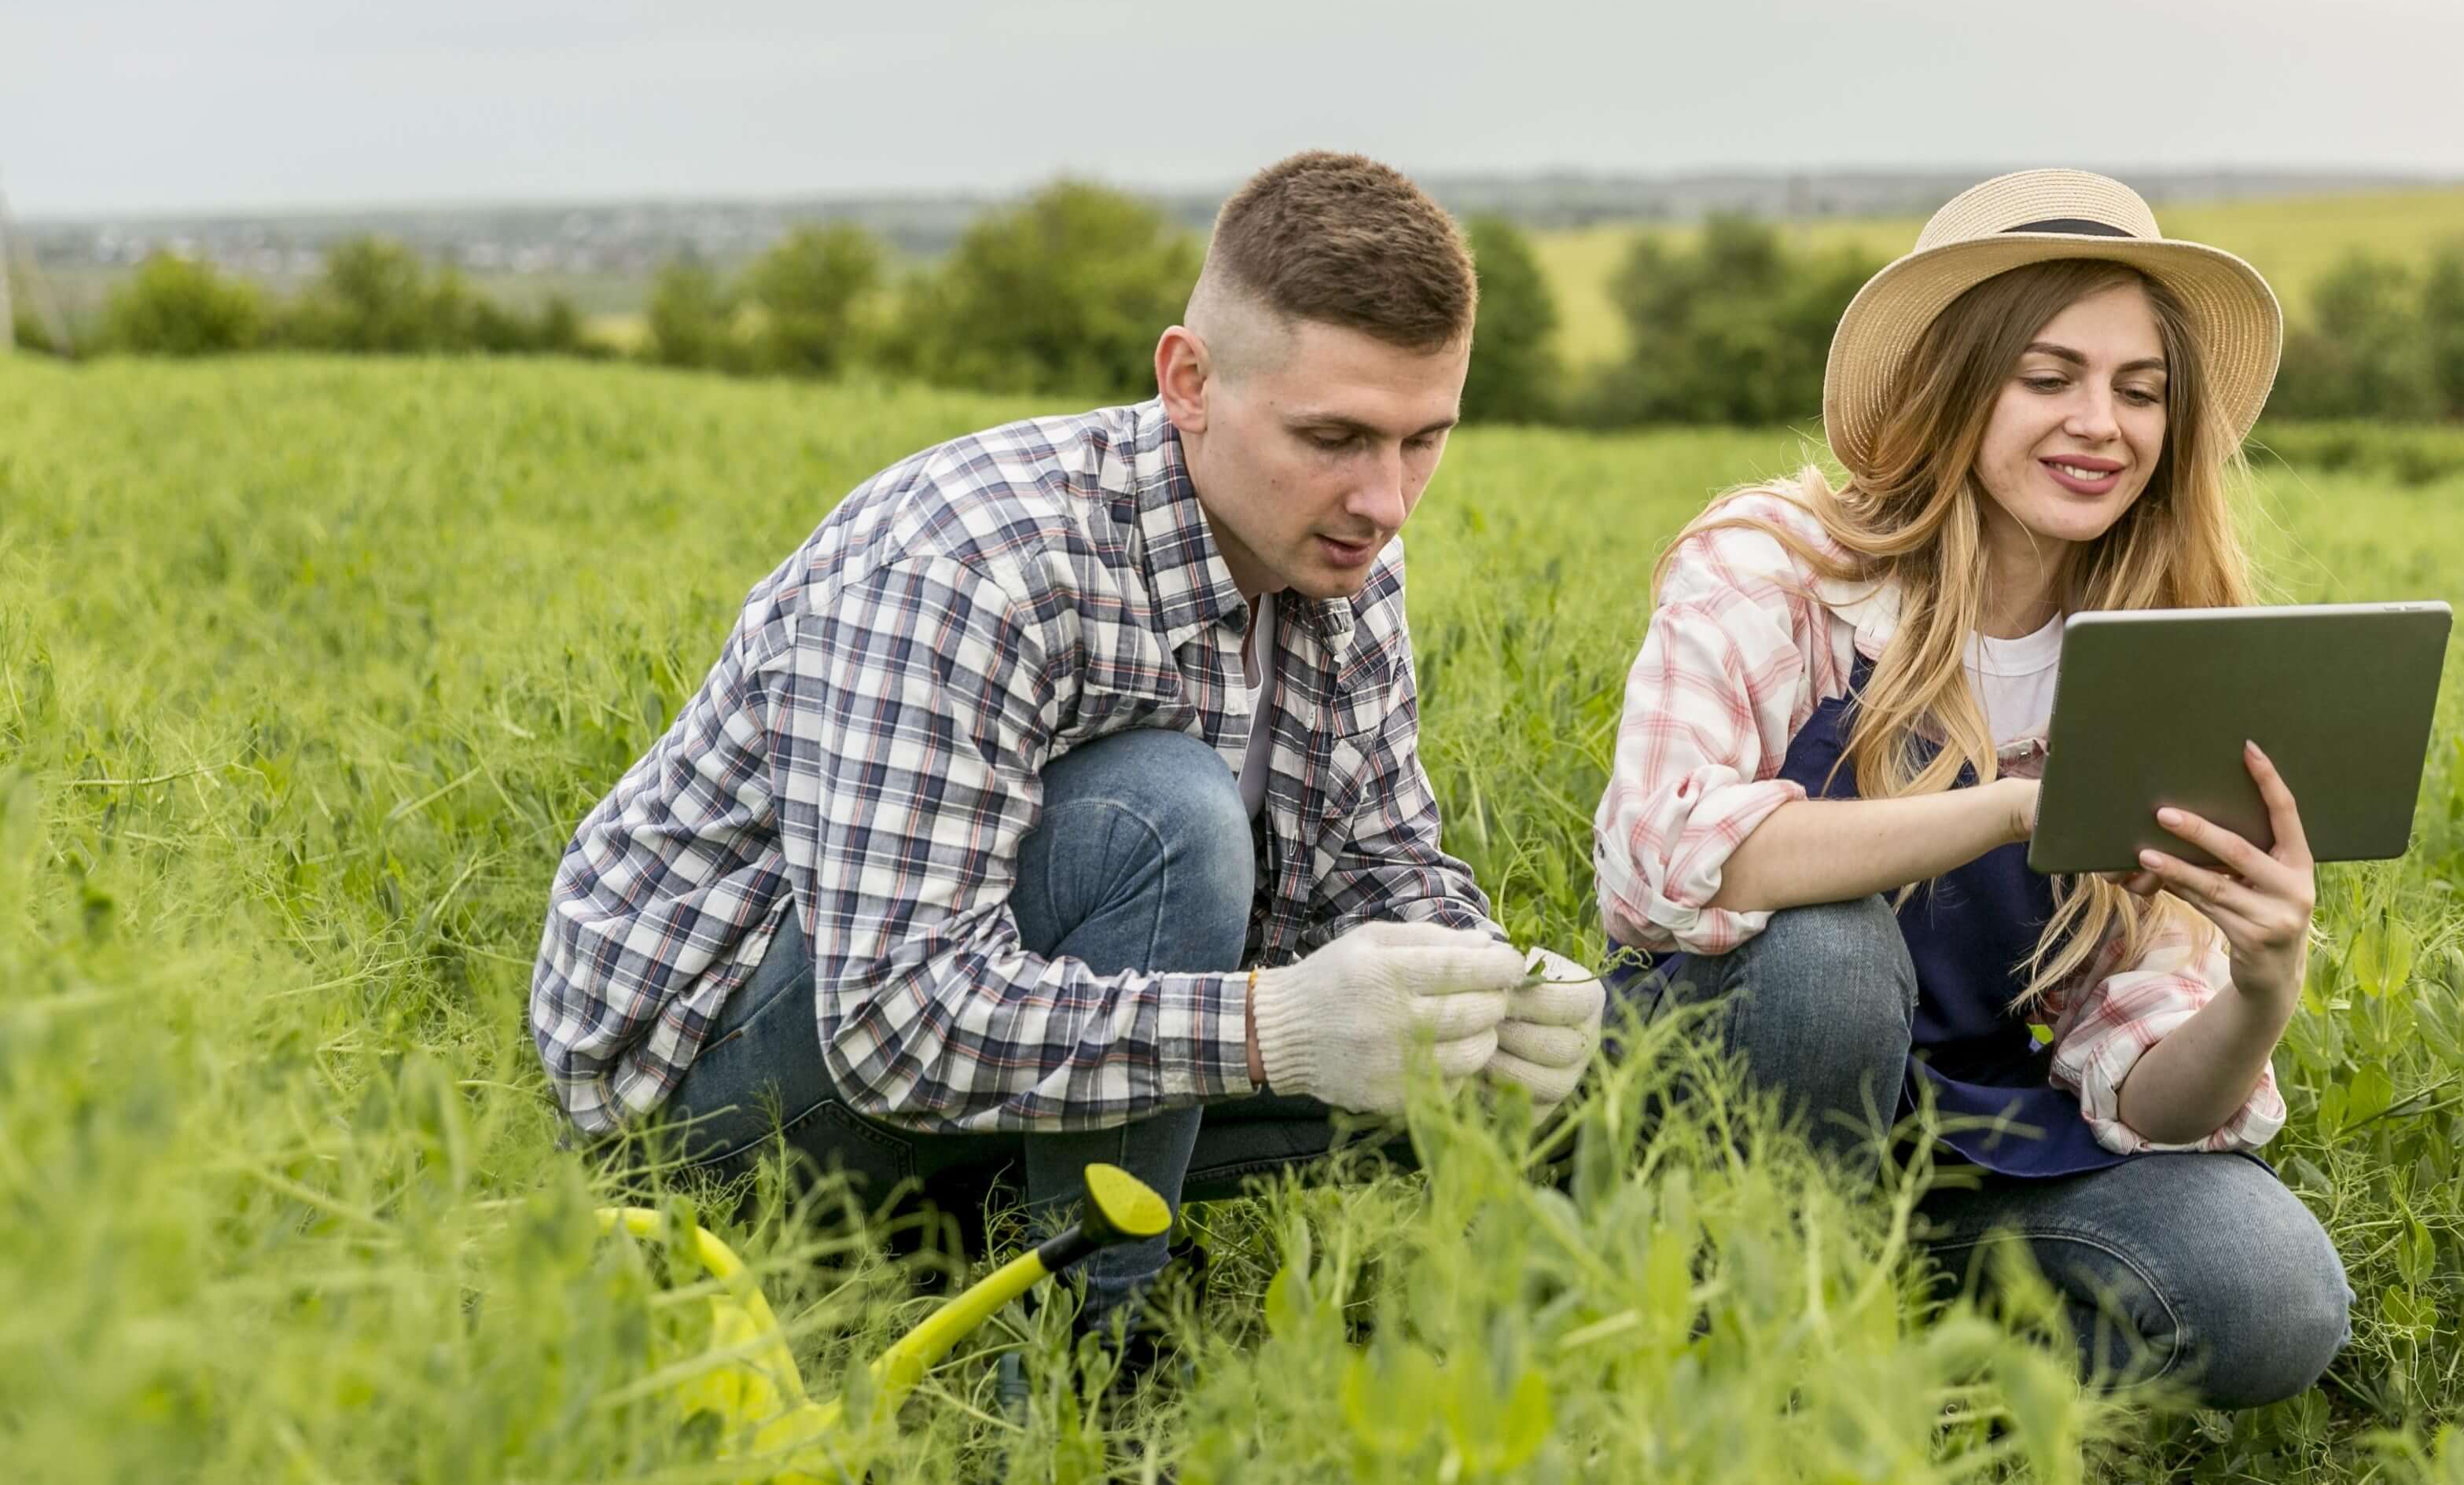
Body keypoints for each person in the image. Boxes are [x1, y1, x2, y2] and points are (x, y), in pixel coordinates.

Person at [531, 151, 1606, 1331]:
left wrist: (1493, 986)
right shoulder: (971, 564)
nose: (1388, 501)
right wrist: (1273, 1030)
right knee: (1167, 815)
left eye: (1423, 440)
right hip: (711, 1109)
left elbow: (1377, 862)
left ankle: (1009, 1235)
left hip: (977, 1080)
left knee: (1419, 1036)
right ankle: (1084, 1376)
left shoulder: (1342, 559)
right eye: (1336, 437)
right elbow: (890, 1025)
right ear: (1188, 381)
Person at [1594, 170, 2353, 1408]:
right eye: (2048, 377)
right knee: (1829, 959)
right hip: (1721, 1105)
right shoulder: (1781, 568)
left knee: (2272, 1290)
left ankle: (1908, 1391)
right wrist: (2010, 808)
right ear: (1954, 382)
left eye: (2139, 389)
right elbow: (1655, 857)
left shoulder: (2158, 650)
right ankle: (1737, 1325)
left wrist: (2263, 989)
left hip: (1965, 1145)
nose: (2100, 423)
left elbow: (2149, 1089)